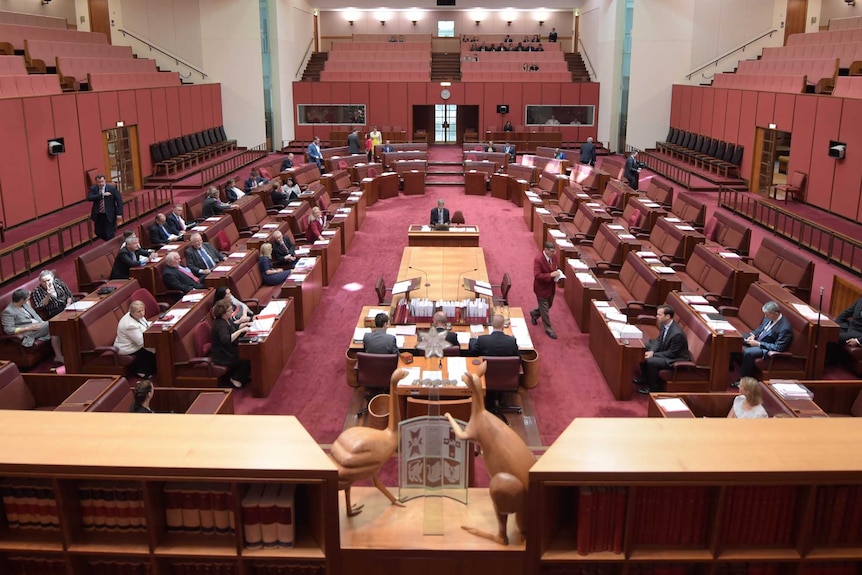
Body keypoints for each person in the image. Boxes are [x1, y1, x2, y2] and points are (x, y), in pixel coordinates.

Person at [732, 301, 793, 388]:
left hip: (766, 348)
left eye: (767, 315)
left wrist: (758, 344)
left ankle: (743, 379)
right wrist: (753, 335)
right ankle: (731, 365)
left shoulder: (785, 328)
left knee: (749, 352)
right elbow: (760, 328)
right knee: (735, 337)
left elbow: (779, 347)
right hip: (757, 340)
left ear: (776, 314)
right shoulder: (768, 317)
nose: (765, 317)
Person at [635, 305, 691, 394]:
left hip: (675, 358)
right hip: (665, 349)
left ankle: (652, 387)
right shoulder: (664, 324)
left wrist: (653, 355)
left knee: (651, 361)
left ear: (667, 316)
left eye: (659, 315)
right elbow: (658, 341)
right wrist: (652, 351)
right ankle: (644, 378)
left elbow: (671, 354)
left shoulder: (677, 334)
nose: (657, 317)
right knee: (643, 348)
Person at [2, 288, 64, 362]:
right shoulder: (8, 312)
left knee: (55, 329)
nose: (29, 300)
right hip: (28, 332)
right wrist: (28, 328)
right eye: (27, 299)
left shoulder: (24, 304)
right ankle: (59, 356)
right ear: (22, 300)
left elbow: (35, 316)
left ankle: (59, 356)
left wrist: (42, 323)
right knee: (54, 324)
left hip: (39, 326)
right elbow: (8, 330)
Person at [210, 299, 251, 388]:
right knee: (246, 354)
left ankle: (243, 376)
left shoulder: (226, 319)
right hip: (224, 354)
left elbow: (234, 327)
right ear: (223, 312)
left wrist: (246, 324)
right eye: (229, 310)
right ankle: (235, 378)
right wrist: (241, 331)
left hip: (229, 349)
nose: (232, 311)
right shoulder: (220, 325)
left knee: (249, 349)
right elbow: (226, 339)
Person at [114, 300, 156, 378]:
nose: (142, 313)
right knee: (155, 350)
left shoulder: (135, 315)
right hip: (128, 348)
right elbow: (142, 342)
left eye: (143, 310)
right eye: (138, 312)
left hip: (137, 343)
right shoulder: (130, 325)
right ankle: (142, 371)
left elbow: (144, 325)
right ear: (132, 312)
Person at [530, 241, 562, 340]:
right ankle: (549, 329)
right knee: (545, 310)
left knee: (549, 305)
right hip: (541, 289)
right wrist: (550, 275)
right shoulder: (538, 259)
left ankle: (534, 313)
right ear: (546, 250)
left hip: (551, 287)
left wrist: (559, 273)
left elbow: (556, 267)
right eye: (552, 251)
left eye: (554, 251)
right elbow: (537, 275)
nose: (553, 253)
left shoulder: (554, 257)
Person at [88, 174, 123, 242]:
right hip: (98, 214)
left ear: (105, 181)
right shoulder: (93, 188)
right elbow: (89, 198)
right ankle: (107, 242)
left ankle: (110, 246)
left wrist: (119, 213)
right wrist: (102, 195)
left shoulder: (112, 189)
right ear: (96, 182)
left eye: (102, 181)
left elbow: (119, 201)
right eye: (99, 182)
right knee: (98, 232)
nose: (101, 183)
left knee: (109, 233)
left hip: (109, 214)